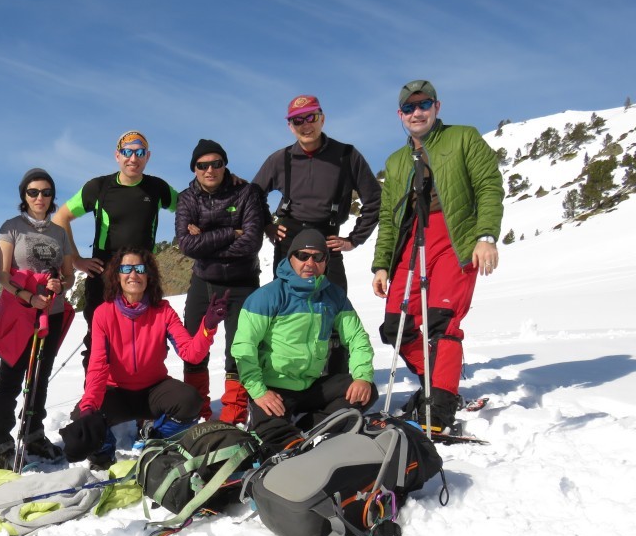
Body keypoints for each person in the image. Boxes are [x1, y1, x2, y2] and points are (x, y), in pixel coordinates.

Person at [371, 80, 504, 431]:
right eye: (410, 108)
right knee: (395, 327)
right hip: (410, 242)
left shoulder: (463, 137)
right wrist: (382, 263)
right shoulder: (397, 160)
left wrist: (486, 235)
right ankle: (436, 385)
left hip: (454, 233)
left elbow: (489, 185)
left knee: (442, 320)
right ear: (400, 115)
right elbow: (388, 217)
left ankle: (438, 409)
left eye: (424, 104)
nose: (418, 112)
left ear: (437, 107)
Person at [59, 248, 227, 469]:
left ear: (149, 276)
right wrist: (90, 405)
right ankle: (104, 456)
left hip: (153, 390)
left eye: (139, 269)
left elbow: (191, 353)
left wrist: (208, 326)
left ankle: (157, 439)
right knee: (84, 417)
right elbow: (98, 365)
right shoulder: (104, 313)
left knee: (189, 400)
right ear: (117, 276)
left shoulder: (163, 311)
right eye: (126, 269)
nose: (133, 274)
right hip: (116, 391)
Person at [231, 229, 377, 455]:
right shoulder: (268, 296)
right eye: (302, 255)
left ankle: (311, 427)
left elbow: (357, 337)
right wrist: (259, 392)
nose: (310, 262)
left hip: (311, 386)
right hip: (274, 389)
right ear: (290, 258)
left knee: (365, 391)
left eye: (318, 257)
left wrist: (362, 377)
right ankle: (297, 432)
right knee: (278, 443)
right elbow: (244, 347)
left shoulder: (333, 296)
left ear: (325, 262)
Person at [52, 131, 178, 370]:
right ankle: (94, 401)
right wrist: (77, 260)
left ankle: (140, 396)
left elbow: (187, 205)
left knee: (146, 339)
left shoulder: (157, 188)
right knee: (98, 341)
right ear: (117, 155)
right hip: (103, 276)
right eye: (127, 152)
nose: (133, 158)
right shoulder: (98, 187)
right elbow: (61, 217)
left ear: (148, 156)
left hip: (142, 276)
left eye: (140, 152)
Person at [0, 168, 75, 470]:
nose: (40, 197)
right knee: (11, 378)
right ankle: (0, 439)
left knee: (40, 376)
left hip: (53, 313)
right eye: (33, 192)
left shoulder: (59, 232)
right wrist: (28, 297)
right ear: (24, 196)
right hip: (21, 315)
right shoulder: (11, 228)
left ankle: (33, 432)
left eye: (46, 192)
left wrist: (61, 285)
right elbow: (2, 274)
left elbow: (69, 275)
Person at [175, 139, 264, 425]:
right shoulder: (187, 198)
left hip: (243, 282)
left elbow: (251, 242)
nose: (210, 169)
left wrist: (206, 238)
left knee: (241, 347)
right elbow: (187, 245)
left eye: (216, 163)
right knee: (193, 345)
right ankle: (197, 410)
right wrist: (230, 233)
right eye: (203, 165)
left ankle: (234, 412)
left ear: (225, 165)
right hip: (204, 283)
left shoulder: (246, 192)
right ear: (195, 169)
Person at [253, 94, 381, 291]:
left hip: (327, 238)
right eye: (298, 120)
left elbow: (374, 199)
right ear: (290, 126)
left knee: (335, 303)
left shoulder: (347, 156)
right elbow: (253, 195)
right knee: (287, 304)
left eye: (311, 117)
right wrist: (267, 226)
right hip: (289, 240)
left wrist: (355, 239)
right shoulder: (279, 159)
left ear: (322, 118)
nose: (305, 126)